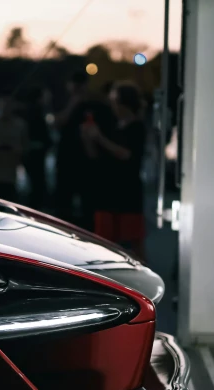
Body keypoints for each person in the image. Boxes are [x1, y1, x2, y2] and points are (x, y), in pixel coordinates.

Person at [81, 81, 148, 259]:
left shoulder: (136, 127)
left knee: (132, 240)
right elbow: (96, 156)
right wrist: (88, 138)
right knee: (104, 240)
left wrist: (99, 138)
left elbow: (126, 154)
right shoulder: (113, 125)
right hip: (107, 189)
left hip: (127, 190)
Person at [53, 70, 116, 229]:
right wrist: (74, 103)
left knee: (89, 204)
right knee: (64, 203)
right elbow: (58, 122)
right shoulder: (64, 102)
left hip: (87, 161)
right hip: (66, 159)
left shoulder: (95, 105)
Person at [19, 86, 53, 209]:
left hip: (35, 154)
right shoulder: (36, 112)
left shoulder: (34, 111)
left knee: (36, 185)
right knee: (37, 185)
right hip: (35, 155)